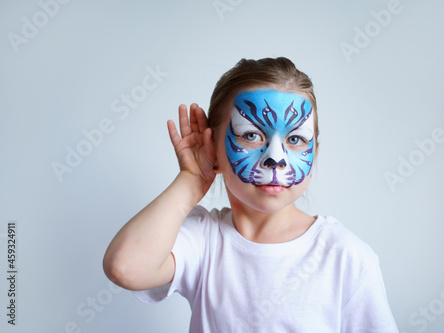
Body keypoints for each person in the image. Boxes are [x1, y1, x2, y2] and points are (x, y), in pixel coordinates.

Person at [103, 57, 399, 332]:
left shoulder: (346, 257)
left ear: (315, 152)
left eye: (295, 139)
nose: (275, 158)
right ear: (212, 148)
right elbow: (125, 267)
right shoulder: (203, 240)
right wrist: (191, 179)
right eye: (251, 135)